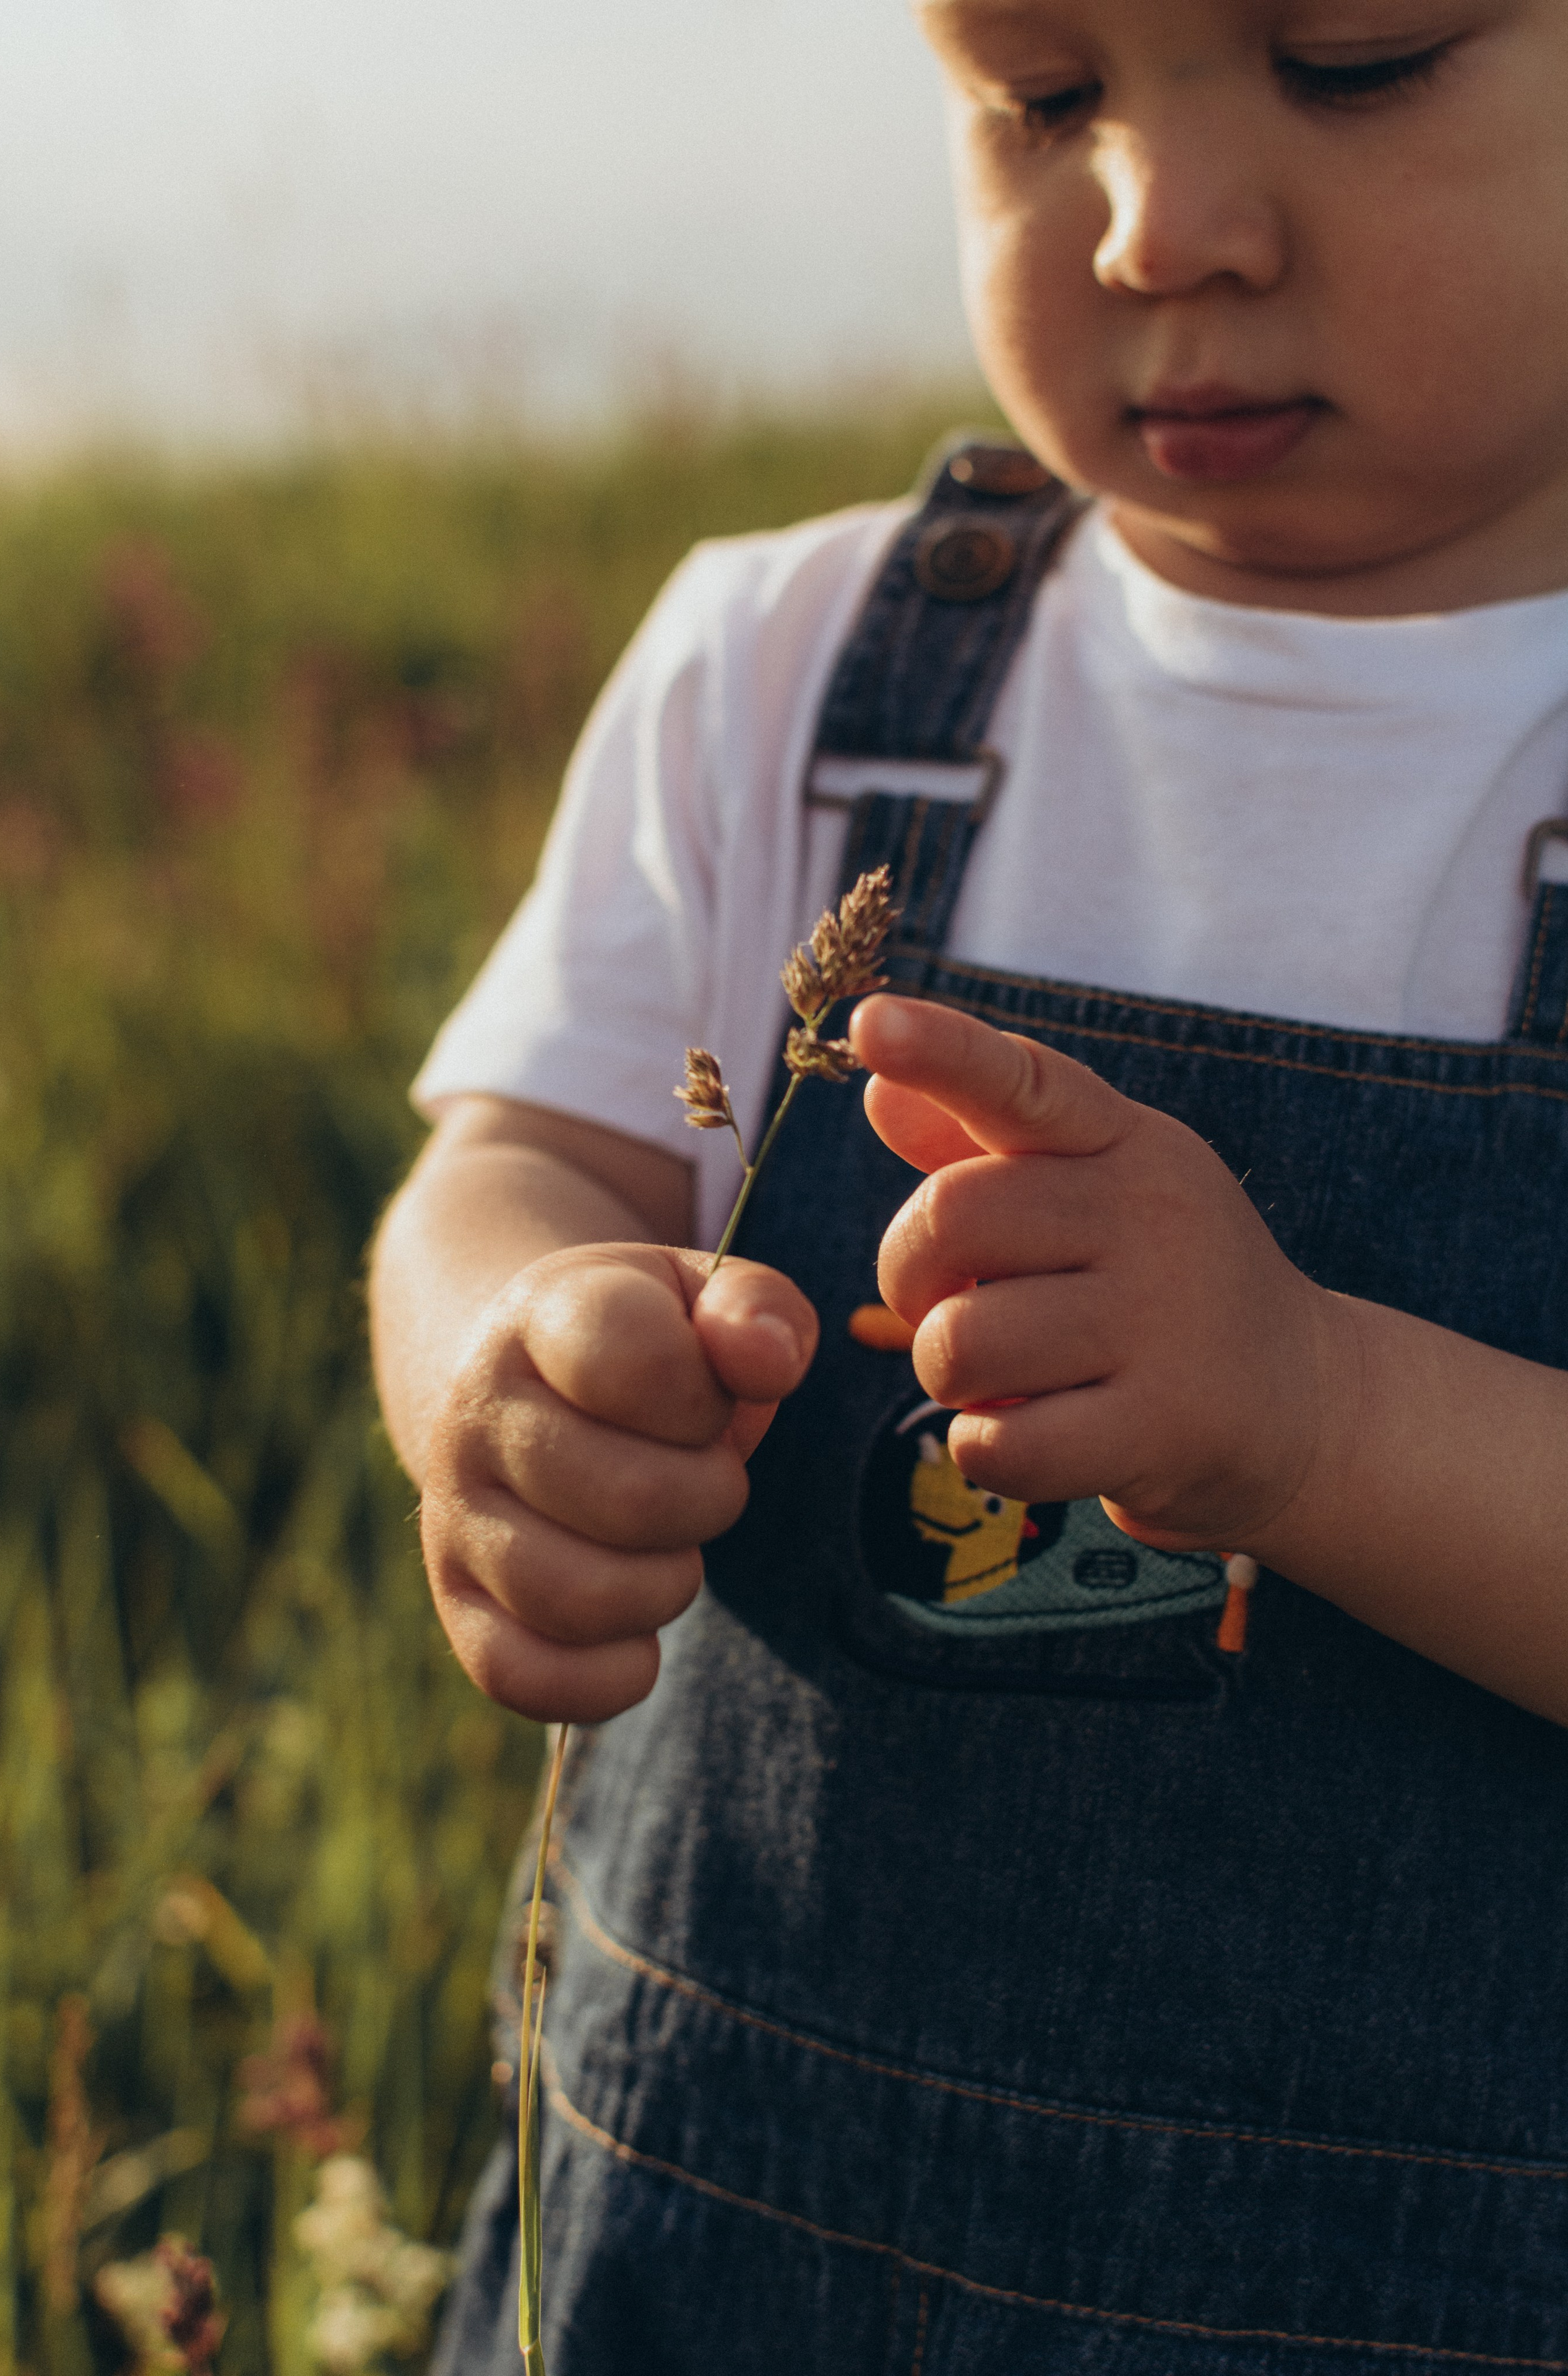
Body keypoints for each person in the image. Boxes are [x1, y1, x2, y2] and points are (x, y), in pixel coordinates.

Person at [369, 0, 1568, 2362]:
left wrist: (1321, 1417)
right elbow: (519, 1152)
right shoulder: (794, 671)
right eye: (1042, 97)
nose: (1156, 228)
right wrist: (506, 1362)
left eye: (1352, 59)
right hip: (718, 2232)